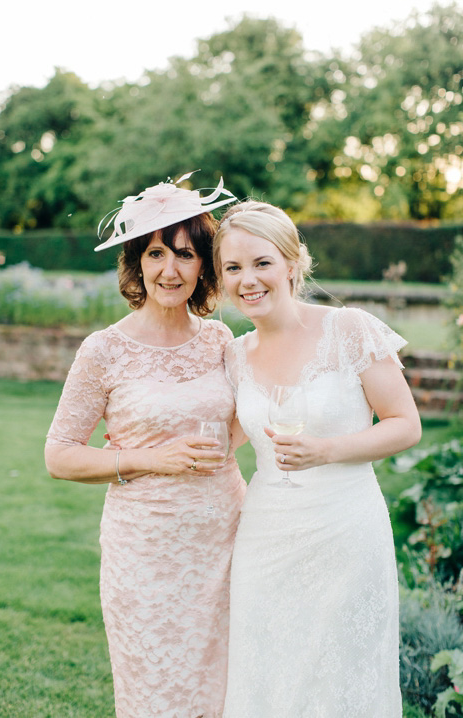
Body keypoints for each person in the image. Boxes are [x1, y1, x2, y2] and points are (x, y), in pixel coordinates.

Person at [45, 173, 247, 718]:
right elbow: (60, 454)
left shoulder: (220, 340)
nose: (170, 270)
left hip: (225, 540)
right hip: (146, 551)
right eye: (156, 253)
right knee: (157, 691)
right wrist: (148, 459)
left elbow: (249, 414)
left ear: (203, 264)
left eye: (185, 254)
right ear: (137, 262)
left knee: (227, 689)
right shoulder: (104, 351)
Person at [214, 200, 421, 717]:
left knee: (342, 674)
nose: (248, 280)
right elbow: (228, 437)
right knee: (269, 671)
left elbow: (405, 424)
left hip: (346, 533)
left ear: (291, 262)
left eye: (261, 263)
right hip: (266, 538)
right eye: (233, 268)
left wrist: (326, 450)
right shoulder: (235, 355)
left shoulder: (349, 329)